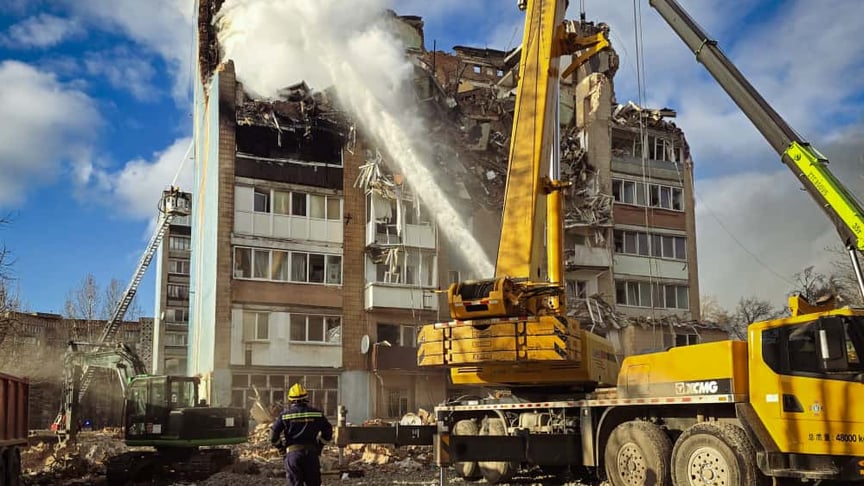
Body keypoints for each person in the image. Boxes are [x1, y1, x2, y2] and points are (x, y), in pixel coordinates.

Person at [271, 383, 333, 486]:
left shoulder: (285, 416)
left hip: (293, 455)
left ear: (290, 400)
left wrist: (281, 450)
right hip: (311, 455)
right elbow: (328, 431)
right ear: (306, 398)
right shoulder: (317, 414)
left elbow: (273, 436)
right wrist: (320, 446)